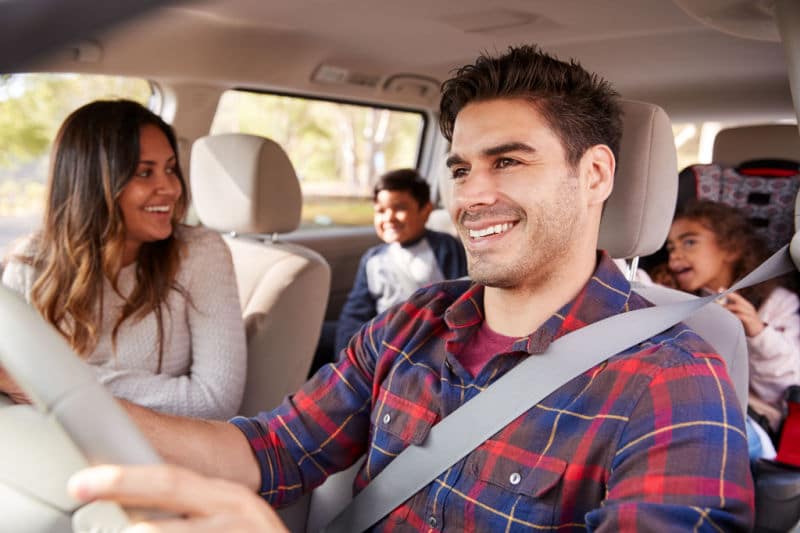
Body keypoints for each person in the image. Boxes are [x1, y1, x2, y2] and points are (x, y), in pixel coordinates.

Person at [69, 46, 753, 531]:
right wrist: (68, 400)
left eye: (508, 161)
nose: (472, 196)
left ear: (596, 174)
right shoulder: (413, 323)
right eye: (459, 170)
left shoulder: (671, 381)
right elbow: (269, 449)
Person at [0, 100, 247, 420]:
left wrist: (55, 384)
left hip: (158, 458)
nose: (171, 187)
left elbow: (214, 400)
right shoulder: (30, 266)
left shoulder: (199, 254)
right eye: (145, 173)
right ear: (91, 185)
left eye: (170, 169)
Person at [665, 200, 800, 443]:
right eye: (670, 247)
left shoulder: (775, 303)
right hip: (686, 403)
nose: (676, 254)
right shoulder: (670, 298)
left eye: (690, 242)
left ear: (731, 249)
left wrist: (758, 333)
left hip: (751, 417)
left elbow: (787, 384)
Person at [333, 168, 467, 355]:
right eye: (380, 210)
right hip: (381, 341)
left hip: (426, 340)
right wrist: (346, 353)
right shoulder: (372, 258)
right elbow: (355, 313)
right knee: (315, 334)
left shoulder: (444, 247)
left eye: (400, 208)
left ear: (426, 210)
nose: (388, 218)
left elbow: (461, 300)